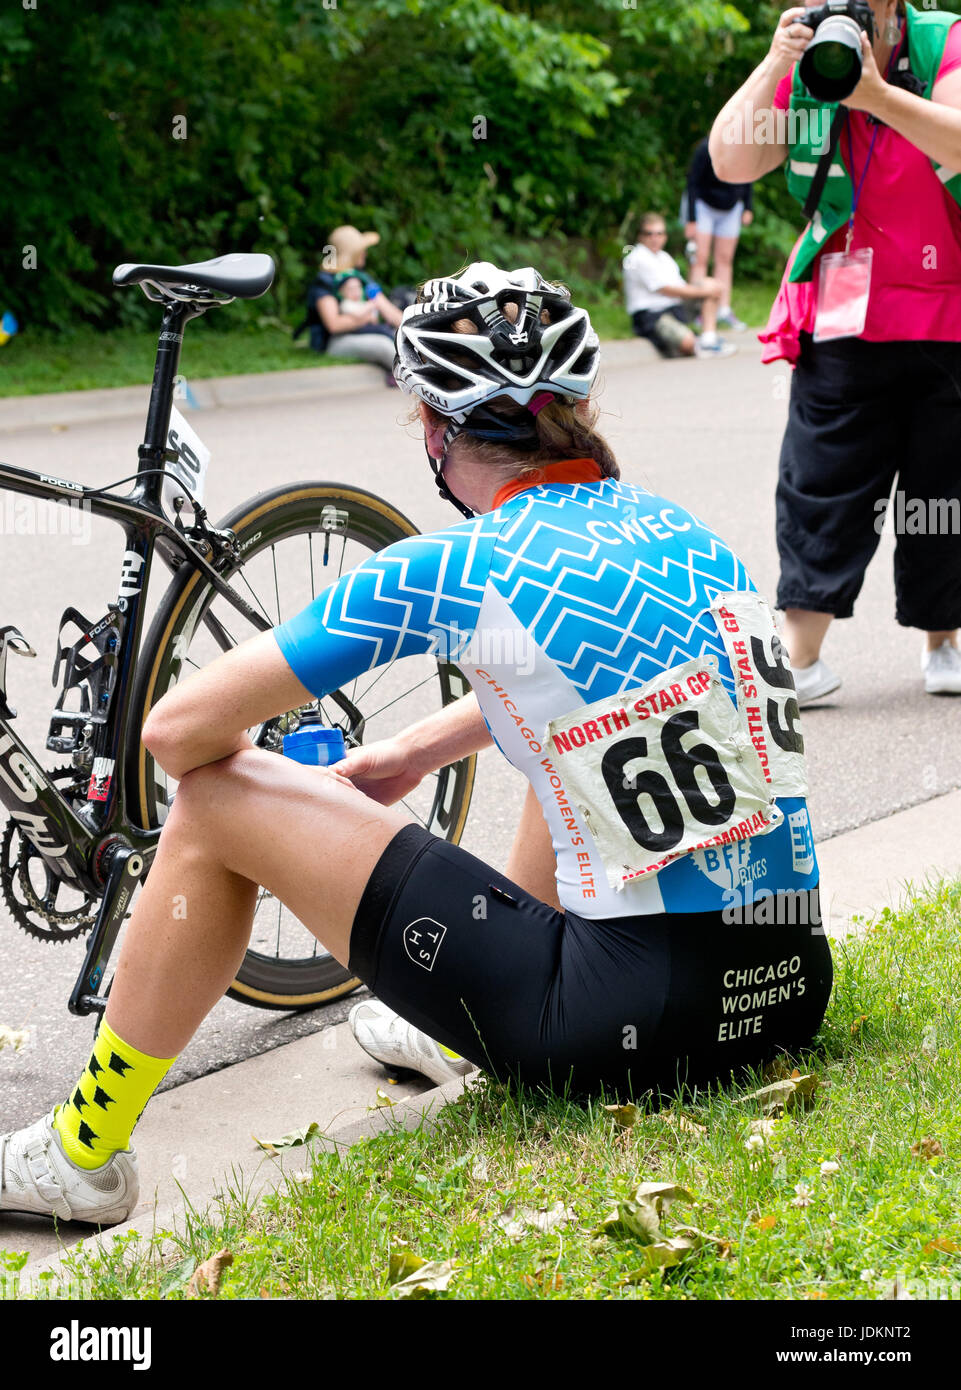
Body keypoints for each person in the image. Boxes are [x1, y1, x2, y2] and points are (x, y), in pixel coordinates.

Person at [0, 263, 832, 1227]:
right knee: (573, 729)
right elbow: (604, 694)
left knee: (217, 799)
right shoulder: (685, 534)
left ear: (435, 432)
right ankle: (445, 1027)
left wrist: (282, 798)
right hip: (783, 992)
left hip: (619, 1027)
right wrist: (415, 750)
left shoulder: (449, 565)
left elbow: (175, 732)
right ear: (572, 409)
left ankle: (81, 1155)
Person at [710, 1, 961, 703]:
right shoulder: (808, 58)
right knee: (820, 483)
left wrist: (876, 95)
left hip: (951, 309)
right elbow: (731, 161)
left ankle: (942, 639)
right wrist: (776, 61)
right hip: (844, 314)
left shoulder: (943, 41)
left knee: (944, 491)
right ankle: (802, 655)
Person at [623, 213, 737, 359]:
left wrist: (709, 288)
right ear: (640, 236)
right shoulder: (637, 257)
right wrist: (704, 291)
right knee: (688, 342)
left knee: (710, 284)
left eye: (659, 233)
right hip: (651, 315)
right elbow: (667, 290)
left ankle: (708, 339)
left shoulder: (664, 257)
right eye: (649, 233)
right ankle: (695, 343)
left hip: (674, 308)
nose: (654, 238)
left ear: (665, 236)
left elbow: (681, 286)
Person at [303, 225, 402, 383]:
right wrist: (367, 316)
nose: (365, 253)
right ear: (350, 253)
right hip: (335, 341)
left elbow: (388, 311)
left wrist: (413, 329)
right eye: (361, 249)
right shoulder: (325, 282)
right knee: (383, 346)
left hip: (366, 331)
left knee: (405, 338)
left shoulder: (362, 278)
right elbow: (334, 325)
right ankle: (413, 378)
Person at [684, 136, 755, 332]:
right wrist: (691, 219)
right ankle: (698, 312)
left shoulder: (744, 147)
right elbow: (692, 183)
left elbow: (748, 177)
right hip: (704, 206)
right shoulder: (705, 148)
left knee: (724, 259)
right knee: (700, 258)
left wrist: (748, 207)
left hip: (731, 207)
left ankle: (723, 310)